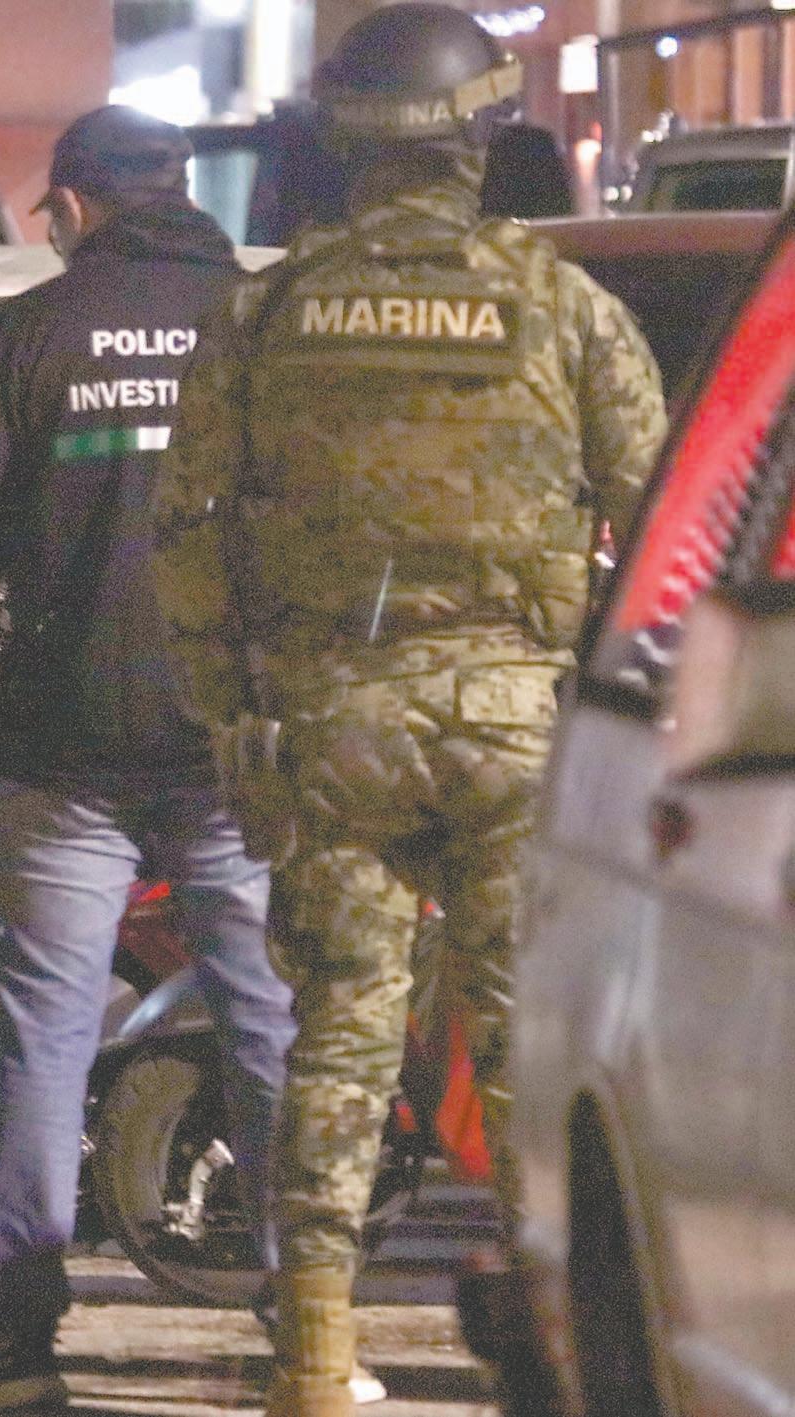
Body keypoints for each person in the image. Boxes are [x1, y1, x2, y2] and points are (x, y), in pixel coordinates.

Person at [149, 8, 668, 1414]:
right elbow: (659, 527)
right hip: (515, 724)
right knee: (525, 1048)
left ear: (339, 140)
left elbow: (186, 532)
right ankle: (555, 1354)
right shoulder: (559, 306)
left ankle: (313, 1357)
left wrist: (233, 713)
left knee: (337, 1033)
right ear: (482, 136)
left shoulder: (265, 310)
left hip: (330, 726)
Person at [0, 106, 297, 1416]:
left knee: (41, 1032)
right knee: (267, 1019)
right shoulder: (264, 325)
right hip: (236, 741)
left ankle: (12, 1335)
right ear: (182, 191)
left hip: (62, 740)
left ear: (71, 207)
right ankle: (311, 1318)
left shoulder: (29, 332)